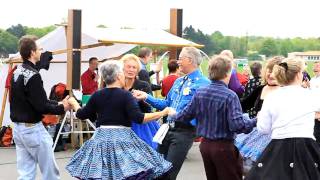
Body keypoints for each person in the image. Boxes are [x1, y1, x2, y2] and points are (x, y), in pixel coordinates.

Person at [66, 60, 172, 180]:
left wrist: (74, 103)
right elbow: (139, 118)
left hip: (101, 138)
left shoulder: (97, 95)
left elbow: (81, 114)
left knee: (105, 173)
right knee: (129, 171)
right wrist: (163, 112)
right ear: (118, 76)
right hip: (123, 138)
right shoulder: (125, 95)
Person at [169, 55, 256, 180]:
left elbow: (185, 115)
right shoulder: (230, 96)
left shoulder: (201, 92)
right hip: (223, 147)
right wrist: (255, 121)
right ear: (228, 73)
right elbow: (237, 126)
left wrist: (172, 114)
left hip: (205, 146)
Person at [133, 47, 210, 180]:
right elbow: (165, 104)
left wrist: (177, 114)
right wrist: (146, 96)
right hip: (167, 129)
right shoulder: (179, 81)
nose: (177, 61)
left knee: (168, 174)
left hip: (184, 132)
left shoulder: (204, 84)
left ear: (190, 60)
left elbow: (202, 112)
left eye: (180, 58)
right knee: (157, 169)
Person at [246, 58, 320, 180]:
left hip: (279, 147)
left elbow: (263, 129)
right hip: (306, 147)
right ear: (297, 75)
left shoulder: (272, 97)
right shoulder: (310, 95)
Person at [10, 35, 71, 180]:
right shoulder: (34, 76)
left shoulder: (17, 71)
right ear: (32, 52)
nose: (41, 51)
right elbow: (41, 106)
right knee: (50, 173)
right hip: (32, 130)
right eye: (39, 49)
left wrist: (58, 103)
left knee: (26, 174)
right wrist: (63, 108)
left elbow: (36, 100)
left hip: (19, 129)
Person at [235, 57, 282, 173]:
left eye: (275, 72)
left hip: (275, 138)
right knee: (247, 170)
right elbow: (243, 104)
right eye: (269, 71)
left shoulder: (285, 92)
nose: (271, 75)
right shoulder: (261, 89)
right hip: (255, 133)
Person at [121, 54, 160, 149]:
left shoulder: (143, 85)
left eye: (134, 67)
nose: (131, 70)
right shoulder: (117, 85)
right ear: (122, 68)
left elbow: (150, 108)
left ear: (137, 70)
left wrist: (141, 99)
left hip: (142, 126)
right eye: (128, 67)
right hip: (121, 125)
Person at [310, 61, 320, 143]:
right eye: (314, 66)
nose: (315, 68)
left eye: (317, 66)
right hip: (313, 114)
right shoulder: (312, 80)